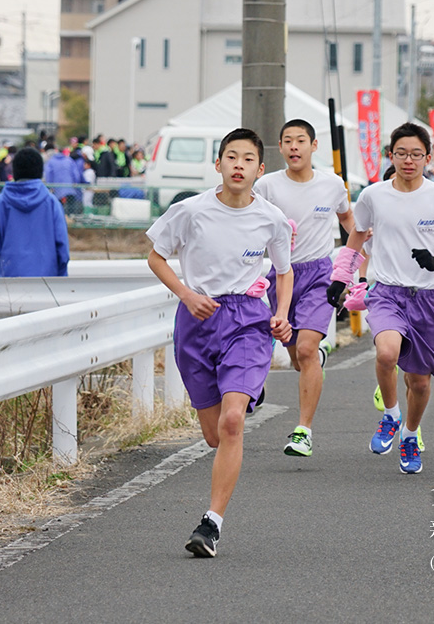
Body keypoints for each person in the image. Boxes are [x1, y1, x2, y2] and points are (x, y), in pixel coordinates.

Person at [146, 128, 293, 558]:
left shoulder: (271, 218)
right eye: (231, 157)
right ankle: (246, 390)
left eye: (248, 159)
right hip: (197, 320)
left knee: (233, 422)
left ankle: (211, 524)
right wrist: (187, 295)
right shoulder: (189, 211)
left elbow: (284, 271)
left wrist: (281, 313)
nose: (239, 165)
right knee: (214, 436)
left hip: (247, 319)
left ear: (259, 170)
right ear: (218, 164)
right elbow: (156, 255)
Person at [329, 122, 434, 474]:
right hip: (387, 292)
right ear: (391, 155)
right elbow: (357, 236)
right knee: (387, 352)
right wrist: (341, 277)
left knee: (420, 382)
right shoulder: (374, 195)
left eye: (416, 154)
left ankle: (409, 434)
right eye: (402, 153)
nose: (409, 160)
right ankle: (391, 414)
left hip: (426, 298)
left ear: (427, 157)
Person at [253, 119, 355, 458]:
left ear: (314, 146)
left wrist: (361, 262)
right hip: (280, 275)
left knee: (307, 351)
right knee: (297, 356)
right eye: (287, 141)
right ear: (280, 148)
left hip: (318, 275)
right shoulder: (266, 186)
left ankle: (303, 431)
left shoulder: (332, 185)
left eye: (300, 141)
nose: (294, 147)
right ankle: (315, 357)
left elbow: (349, 223)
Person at [0, 148, 69, 278]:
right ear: (40, 171)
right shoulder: (52, 203)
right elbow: (63, 250)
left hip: (7, 283)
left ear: (14, 171)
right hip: (47, 284)